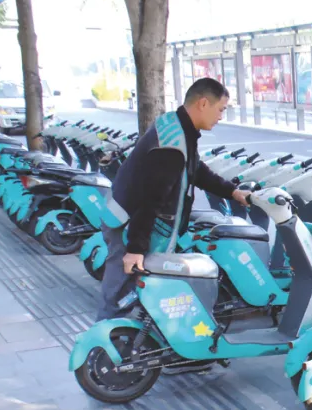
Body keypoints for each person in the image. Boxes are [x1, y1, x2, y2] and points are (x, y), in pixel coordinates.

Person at [97, 78, 249, 321]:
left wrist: (232, 192)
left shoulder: (176, 126)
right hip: (127, 222)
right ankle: (108, 338)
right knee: (119, 293)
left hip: (125, 215)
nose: (221, 117)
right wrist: (135, 249)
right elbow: (151, 198)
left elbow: (194, 169)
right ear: (203, 103)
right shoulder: (172, 144)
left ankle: (126, 333)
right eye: (220, 109)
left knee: (129, 289)